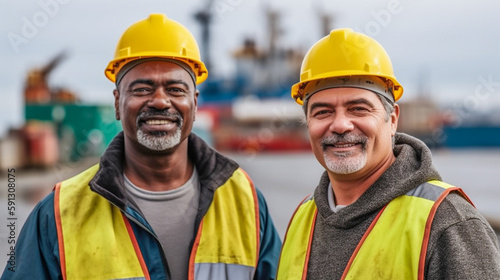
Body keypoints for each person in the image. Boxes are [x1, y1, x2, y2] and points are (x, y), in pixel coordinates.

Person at [2, 14, 281, 280]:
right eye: (141, 90)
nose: (160, 101)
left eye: (175, 89)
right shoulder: (60, 214)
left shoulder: (246, 203)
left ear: (195, 104)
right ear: (116, 103)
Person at [276, 28, 500, 279]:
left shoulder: (448, 223)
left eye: (358, 109)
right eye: (322, 112)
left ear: (392, 119)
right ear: (308, 122)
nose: (340, 125)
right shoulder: (303, 217)